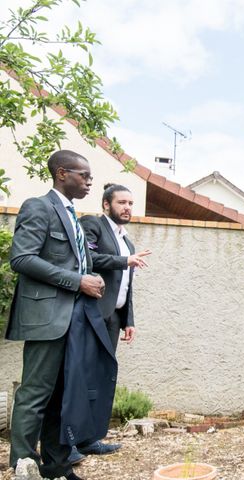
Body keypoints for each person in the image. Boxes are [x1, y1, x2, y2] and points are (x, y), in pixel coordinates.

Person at [6, 150, 105, 480]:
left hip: (74, 320)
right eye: (84, 175)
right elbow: (22, 258)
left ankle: (57, 466)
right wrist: (78, 281)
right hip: (46, 318)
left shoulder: (72, 214)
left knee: (62, 396)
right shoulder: (39, 206)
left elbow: (72, 262)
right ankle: (23, 465)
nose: (90, 181)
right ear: (62, 173)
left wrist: (91, 276)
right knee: (35, 394)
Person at [64, 184, 150, 464]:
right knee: (79, 378)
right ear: (106, 205)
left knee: (101, 377)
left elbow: (127, 285)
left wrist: (129, 320)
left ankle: (91, 439)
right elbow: (86, 259)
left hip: (113, 318)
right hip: (90, 314)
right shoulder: (93, 225)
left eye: (130, 203)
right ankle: (69, 443)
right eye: (121, 202)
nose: (127, 207)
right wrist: (125, 261)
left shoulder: (128, 242)